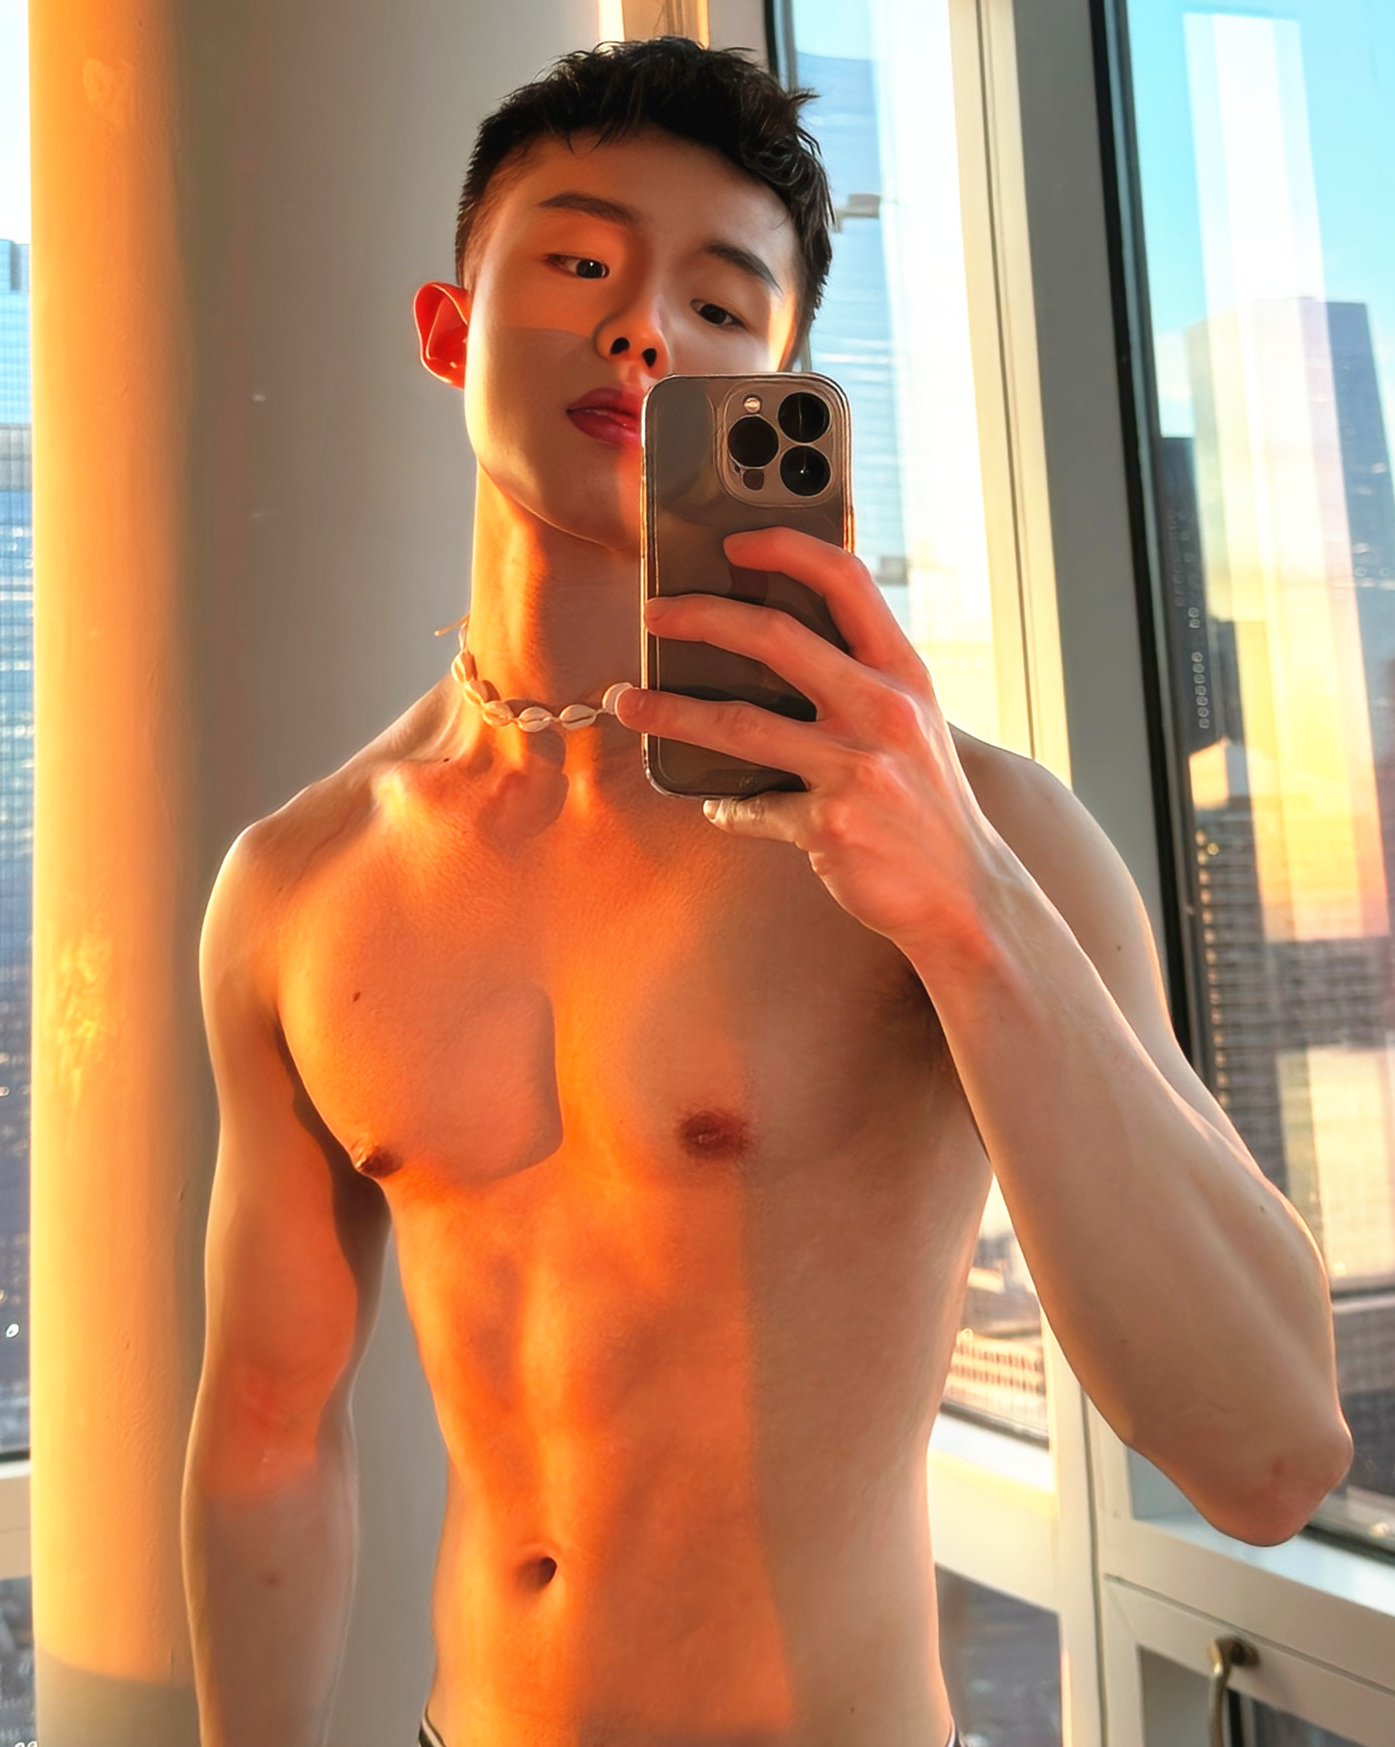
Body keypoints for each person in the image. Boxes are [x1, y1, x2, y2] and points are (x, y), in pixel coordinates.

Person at [180, 35, 1352, 1747]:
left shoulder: (970, 827)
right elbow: (267, 1426)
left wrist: (961, 901)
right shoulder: (300, 879)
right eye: (577, 264)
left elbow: (1269, 1457)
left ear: (781, 388)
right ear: (449, 329)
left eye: (721, 306)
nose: (643, 328)